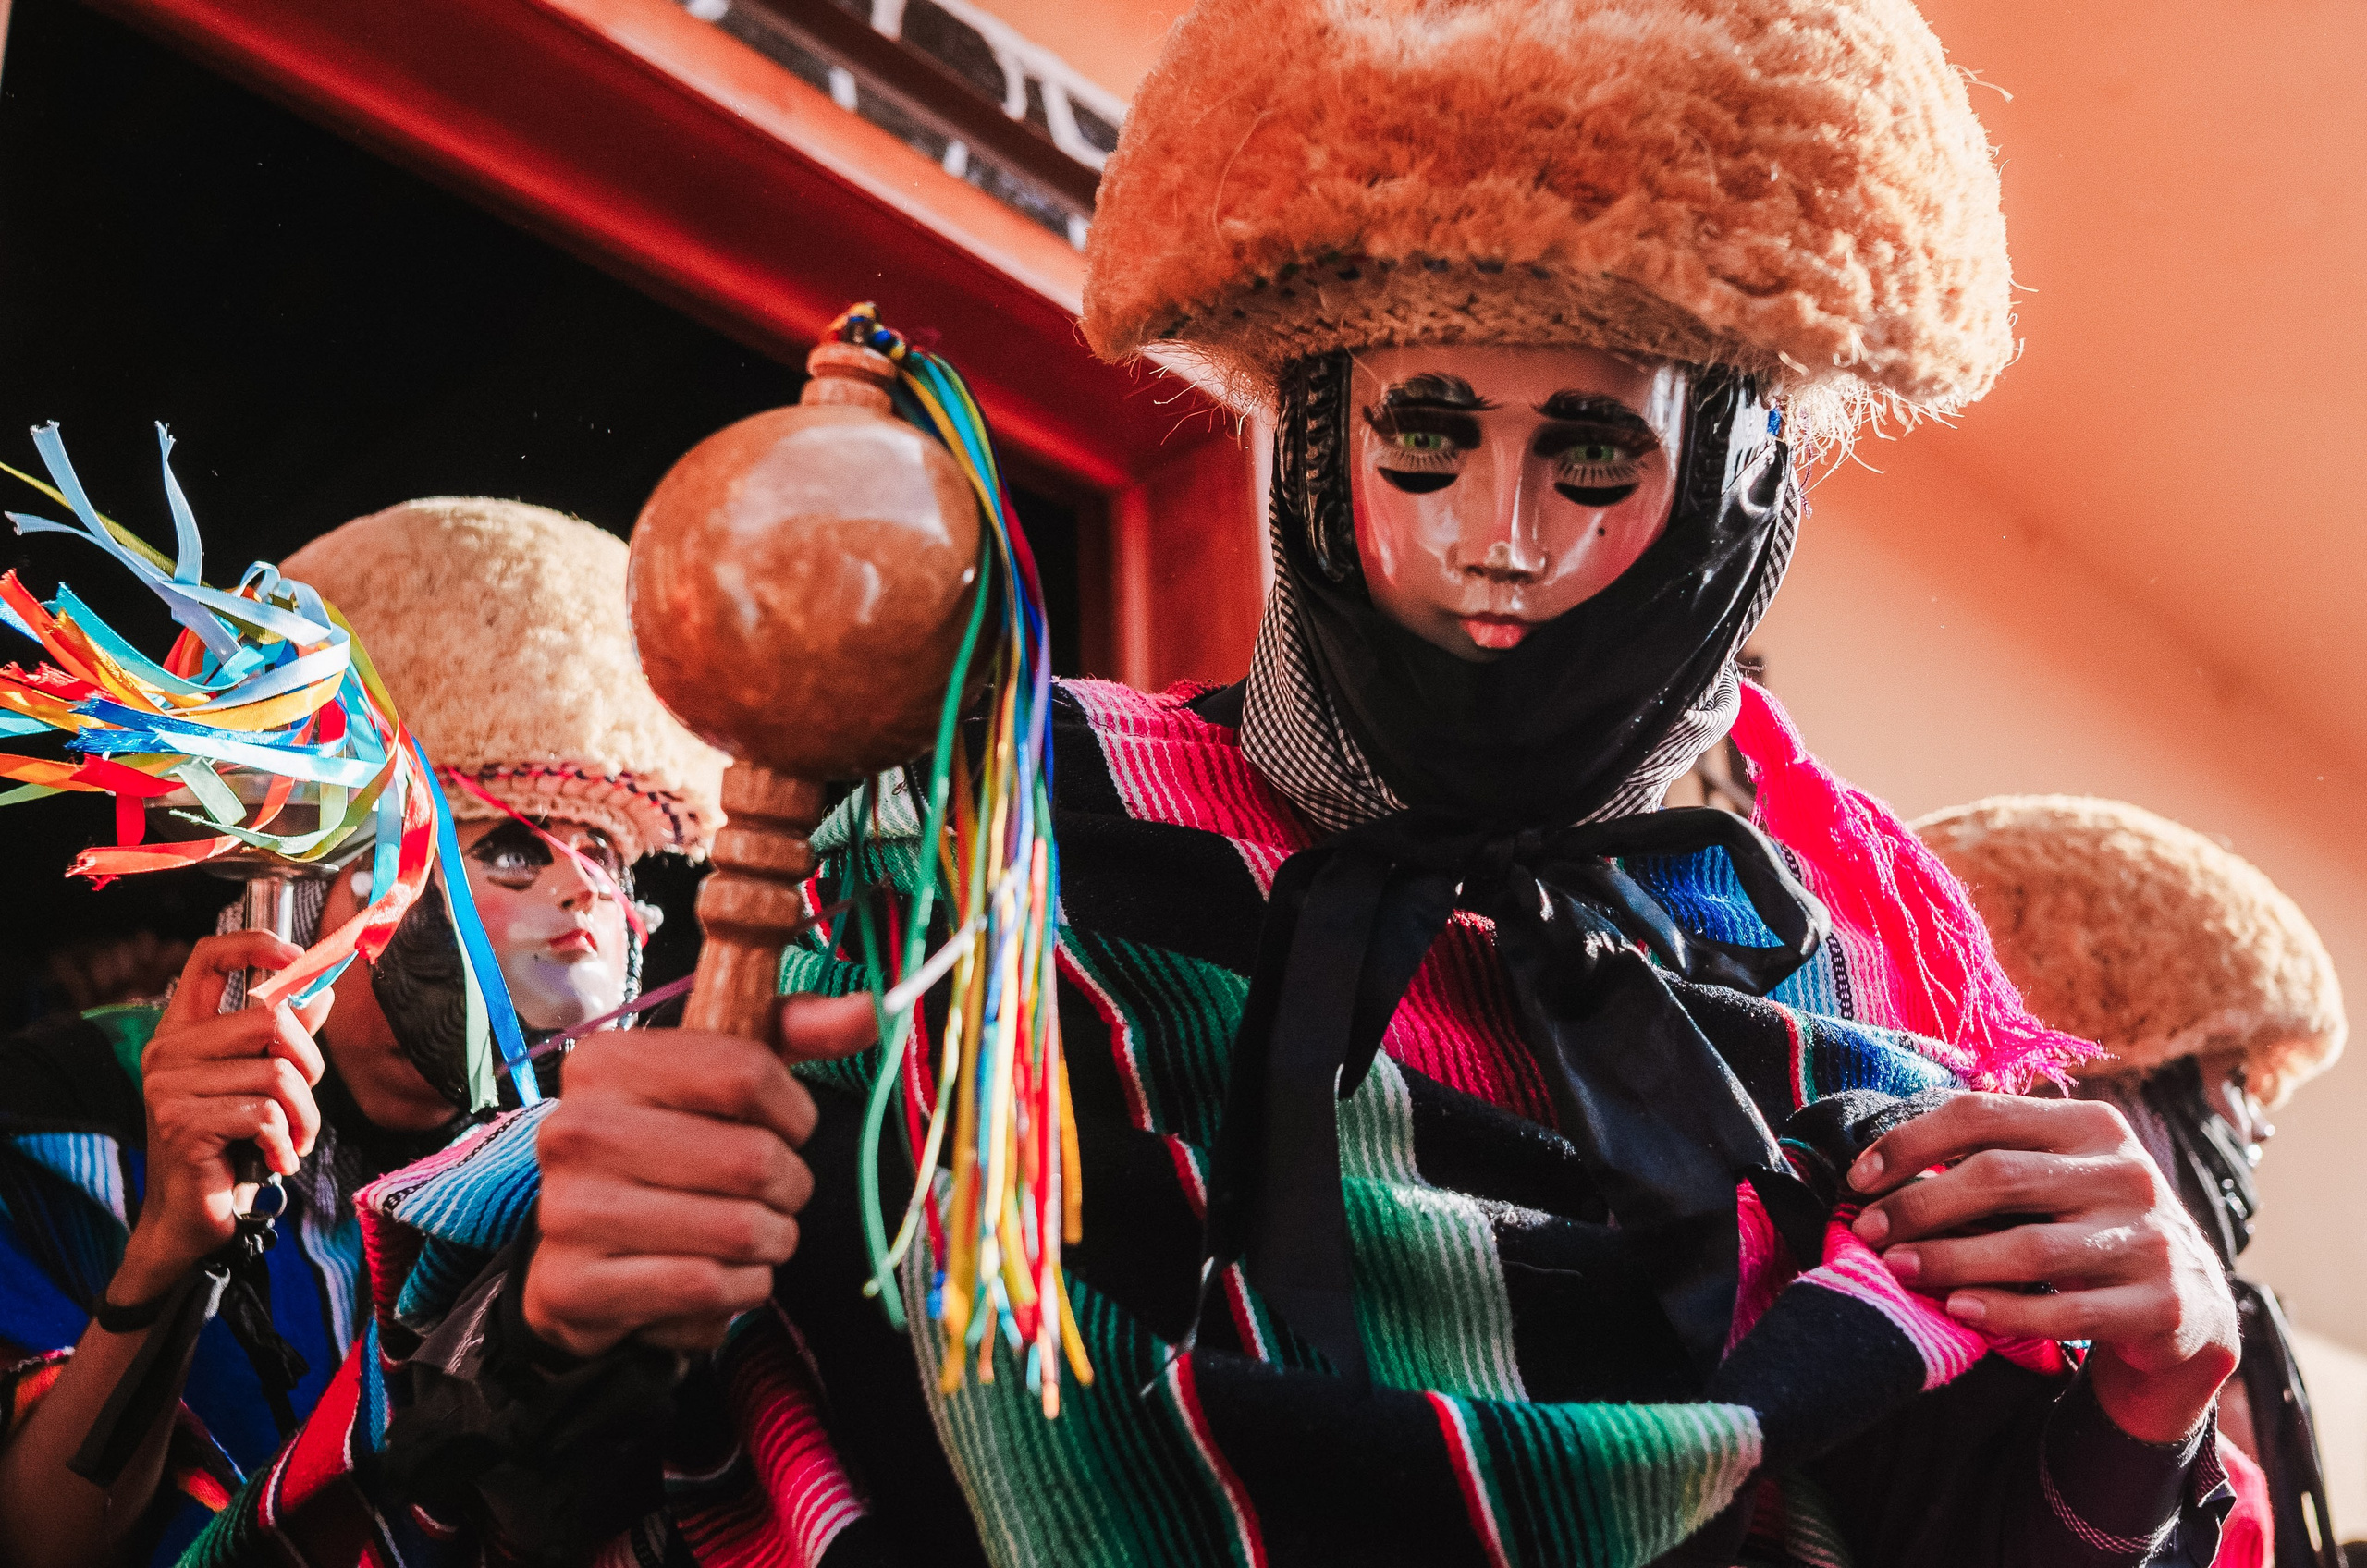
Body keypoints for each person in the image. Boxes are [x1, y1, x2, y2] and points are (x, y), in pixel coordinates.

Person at [206, 3, 2248, 1564]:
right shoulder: (994, 857)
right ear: (1306, 443)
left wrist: (2140, 1397)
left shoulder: (1834, 978)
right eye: (1426, 435)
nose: (1501, 543)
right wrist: (564, 1332)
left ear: (1730, 495)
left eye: (1595, 454)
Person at [0, 497, 720, 1568]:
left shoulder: (605, 1173)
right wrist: (171, 1244)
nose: (584, 893)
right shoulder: (65, 1117)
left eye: (611, 858)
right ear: (335, 884)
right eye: (514, 847)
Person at [1917, 795, 2349, 1568]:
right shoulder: (1942, 1318)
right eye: (2240, 1082)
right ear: (2103, 1071)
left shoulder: (2228, 1378)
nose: (2260, 1128)